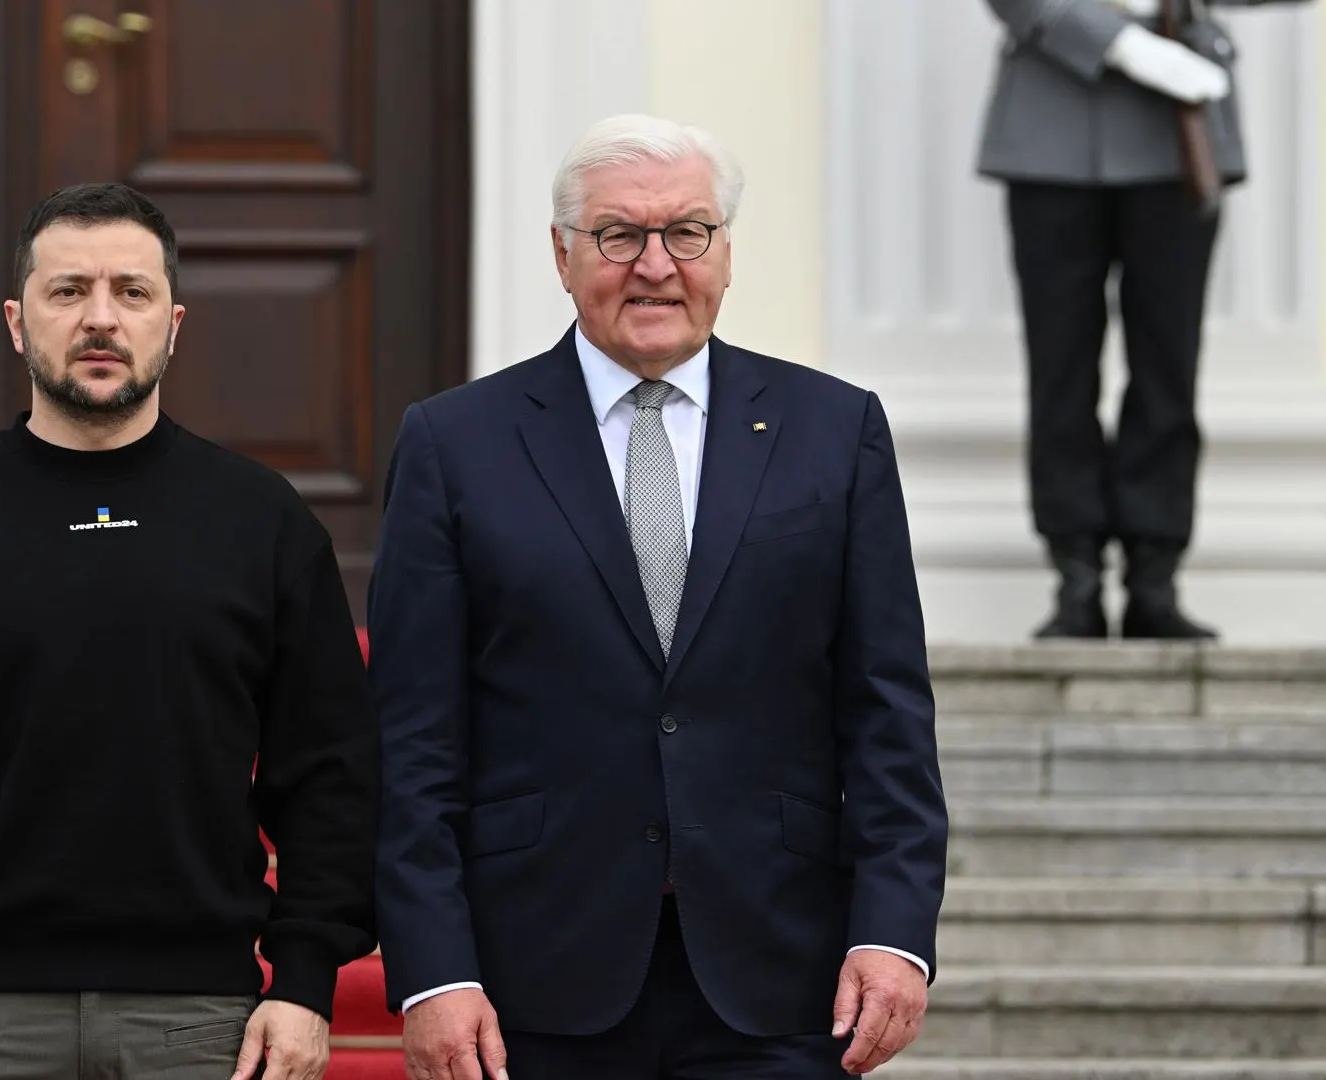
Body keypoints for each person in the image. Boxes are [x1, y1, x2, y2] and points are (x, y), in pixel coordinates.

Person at [366, 113, 950, 1080]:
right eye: (617, 236)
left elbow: (887, 710)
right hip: (533, 982)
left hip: (780, 975)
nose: (655, 265)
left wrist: (894, 931)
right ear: (562, 256)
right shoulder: (454, 443)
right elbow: (414, 736)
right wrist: (433, 971)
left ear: (725, 253)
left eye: (688, 232)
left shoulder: (834, 431)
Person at [0, 181, 379, 1080]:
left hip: (204, 1027)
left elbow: (328, 773)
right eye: (68, 291)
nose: (100, 317)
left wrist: (303, 980)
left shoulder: (261, 523)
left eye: (131, 292)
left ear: (173, 324)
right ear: (16, 322)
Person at [976, 0, 1309, 639]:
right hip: (1054, 115)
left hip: (1174, 120)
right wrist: (1116, 41)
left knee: (1168, 367)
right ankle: (1075, 574)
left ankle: (1154, 574)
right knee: (1060, 371)